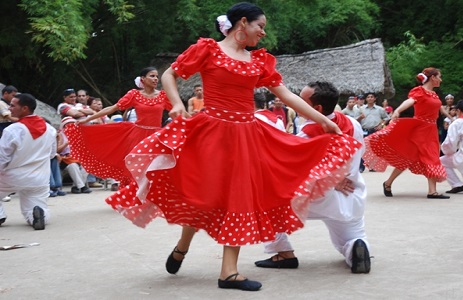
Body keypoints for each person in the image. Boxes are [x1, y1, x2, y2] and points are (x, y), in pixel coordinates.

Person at [104, 2, 360, 292]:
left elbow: (286, 95)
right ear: (242, 22)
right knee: (204, 194)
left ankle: (229, 272)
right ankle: (182, 246)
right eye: (260, 26)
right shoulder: (208, 49)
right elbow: (169, 75)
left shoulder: (258, 60)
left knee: (238, 196)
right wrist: (176, 103)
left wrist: (322, 120)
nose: (263, 33)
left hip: (247, 136)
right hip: (211, 132)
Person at [254, 81, 370, 274]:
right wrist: (342, 176)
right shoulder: (354, 124)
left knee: (265, 203)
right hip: (352, 195)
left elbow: (296, 167)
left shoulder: (305, 135)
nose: (295, 103)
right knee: (351, 237)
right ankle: (355, 247)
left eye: (301, 100)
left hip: (315, 197)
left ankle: (282, 252)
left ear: (316, 108)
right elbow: (359, 152)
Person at [64, 67, 172, 188]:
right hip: (137, 137)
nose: (156, 79)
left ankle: (152, 199)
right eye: (152, 76)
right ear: (143, 79)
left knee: (155, 169)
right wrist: (88, 119)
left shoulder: (163, 95)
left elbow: (177, 110)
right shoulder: (134, 94)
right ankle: (134, 199)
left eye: (157, 76)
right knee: (137, 169)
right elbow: (112, 108)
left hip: (156, 137)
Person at [363, 67, 453, 199]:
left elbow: (439, 108)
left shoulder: (434, 94)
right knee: (412, 158)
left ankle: (430, 191)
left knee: (429, 157)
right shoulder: (420, 91)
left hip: (431, 129)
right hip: (419, 128)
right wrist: (398, 110)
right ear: (433, 77)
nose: (441, 79)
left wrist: (451, 118)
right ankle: (390, 183)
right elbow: (410, 101)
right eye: (439, 76)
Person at [0, 93, 56, 230]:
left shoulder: (12, 130)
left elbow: (2, 157)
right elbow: (52, 154)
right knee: (35, 208)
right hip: (40, 179)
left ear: (24, 108)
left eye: (13, 105)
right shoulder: (51, 130)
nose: (9, 108)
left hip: (13, 176)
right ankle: (38, 214)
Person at [359, 92, 389, 172]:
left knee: (374, 149)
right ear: (366, 99)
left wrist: (381, 124)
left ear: (375, 98)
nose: (370, 98)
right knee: (363, 148)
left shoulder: (380, 109)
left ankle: (372, 166)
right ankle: (361, 167)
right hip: (364, 130)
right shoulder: (361, 109)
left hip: (375, 130)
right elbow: (356, 119)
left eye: (372, 97)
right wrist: (359, 118)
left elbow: (387, 118)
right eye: (368, 97)